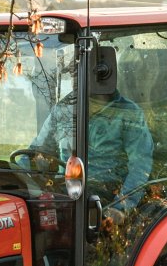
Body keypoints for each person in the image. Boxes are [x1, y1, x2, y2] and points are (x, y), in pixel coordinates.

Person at [23, 89, 154, 225]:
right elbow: (38, 151)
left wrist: (120, 207)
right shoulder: (63, 110)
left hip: (105, 200)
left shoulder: (128, 113)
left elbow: (140, 165)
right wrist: (16, 174)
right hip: (64, 194)